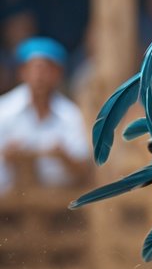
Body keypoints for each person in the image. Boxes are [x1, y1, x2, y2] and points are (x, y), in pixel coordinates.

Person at [0, 36, 91, 194]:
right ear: (22, 72)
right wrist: (7, 156)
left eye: (46, 70)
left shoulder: (70, 114)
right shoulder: (4, 110)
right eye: (34, 69)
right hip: (7, 201)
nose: (39, 76)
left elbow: (83, 169)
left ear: (58, 74)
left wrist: (64, 157)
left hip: (57, 201)